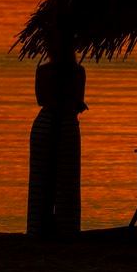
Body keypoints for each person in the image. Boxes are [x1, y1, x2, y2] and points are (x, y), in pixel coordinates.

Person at [27, 36, 87, 239]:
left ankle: (38, 229)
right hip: (67, 125)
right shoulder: (78, 72)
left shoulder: (43, 71)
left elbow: (41, 99)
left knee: (40, 180)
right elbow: (77, 100)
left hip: (45, 123)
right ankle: (66, 230)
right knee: (66, 182)